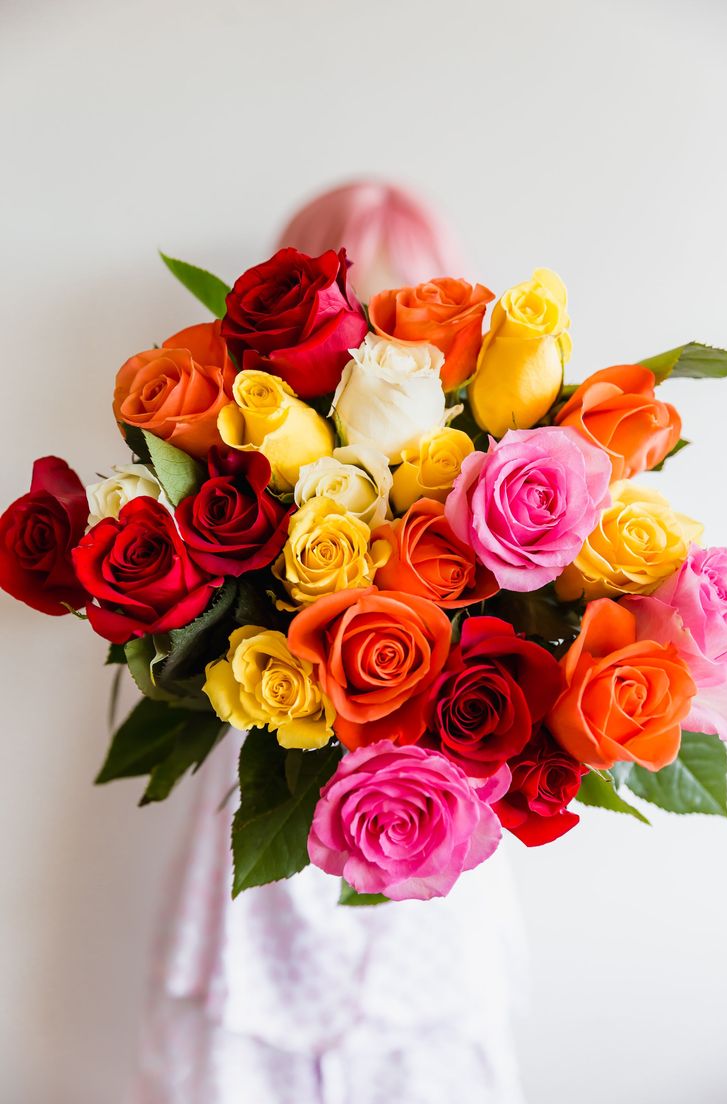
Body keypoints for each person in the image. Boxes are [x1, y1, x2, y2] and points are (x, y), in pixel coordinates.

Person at [128, 181, 527, 1104]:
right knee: (245, 1038)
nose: (384, 345)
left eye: (409, 308)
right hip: (274, 768)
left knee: (426, 1045)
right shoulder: (246, 471)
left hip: (427, 816)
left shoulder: (477, 467)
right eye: (358, 315)